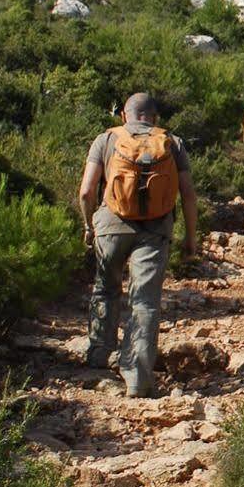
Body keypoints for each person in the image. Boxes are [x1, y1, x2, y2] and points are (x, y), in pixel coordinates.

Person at [79, 92, 198, 398]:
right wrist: (190, 238)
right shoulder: (172, 142)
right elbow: (188, 195)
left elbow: (86, 191)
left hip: (111, 224)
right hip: (156, 228)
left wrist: (87, 224)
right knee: (144, 302)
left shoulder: (106, 139)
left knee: (106, 289)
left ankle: (98, 358)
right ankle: (138, 380)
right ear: (154, 118)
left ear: (124, 116)